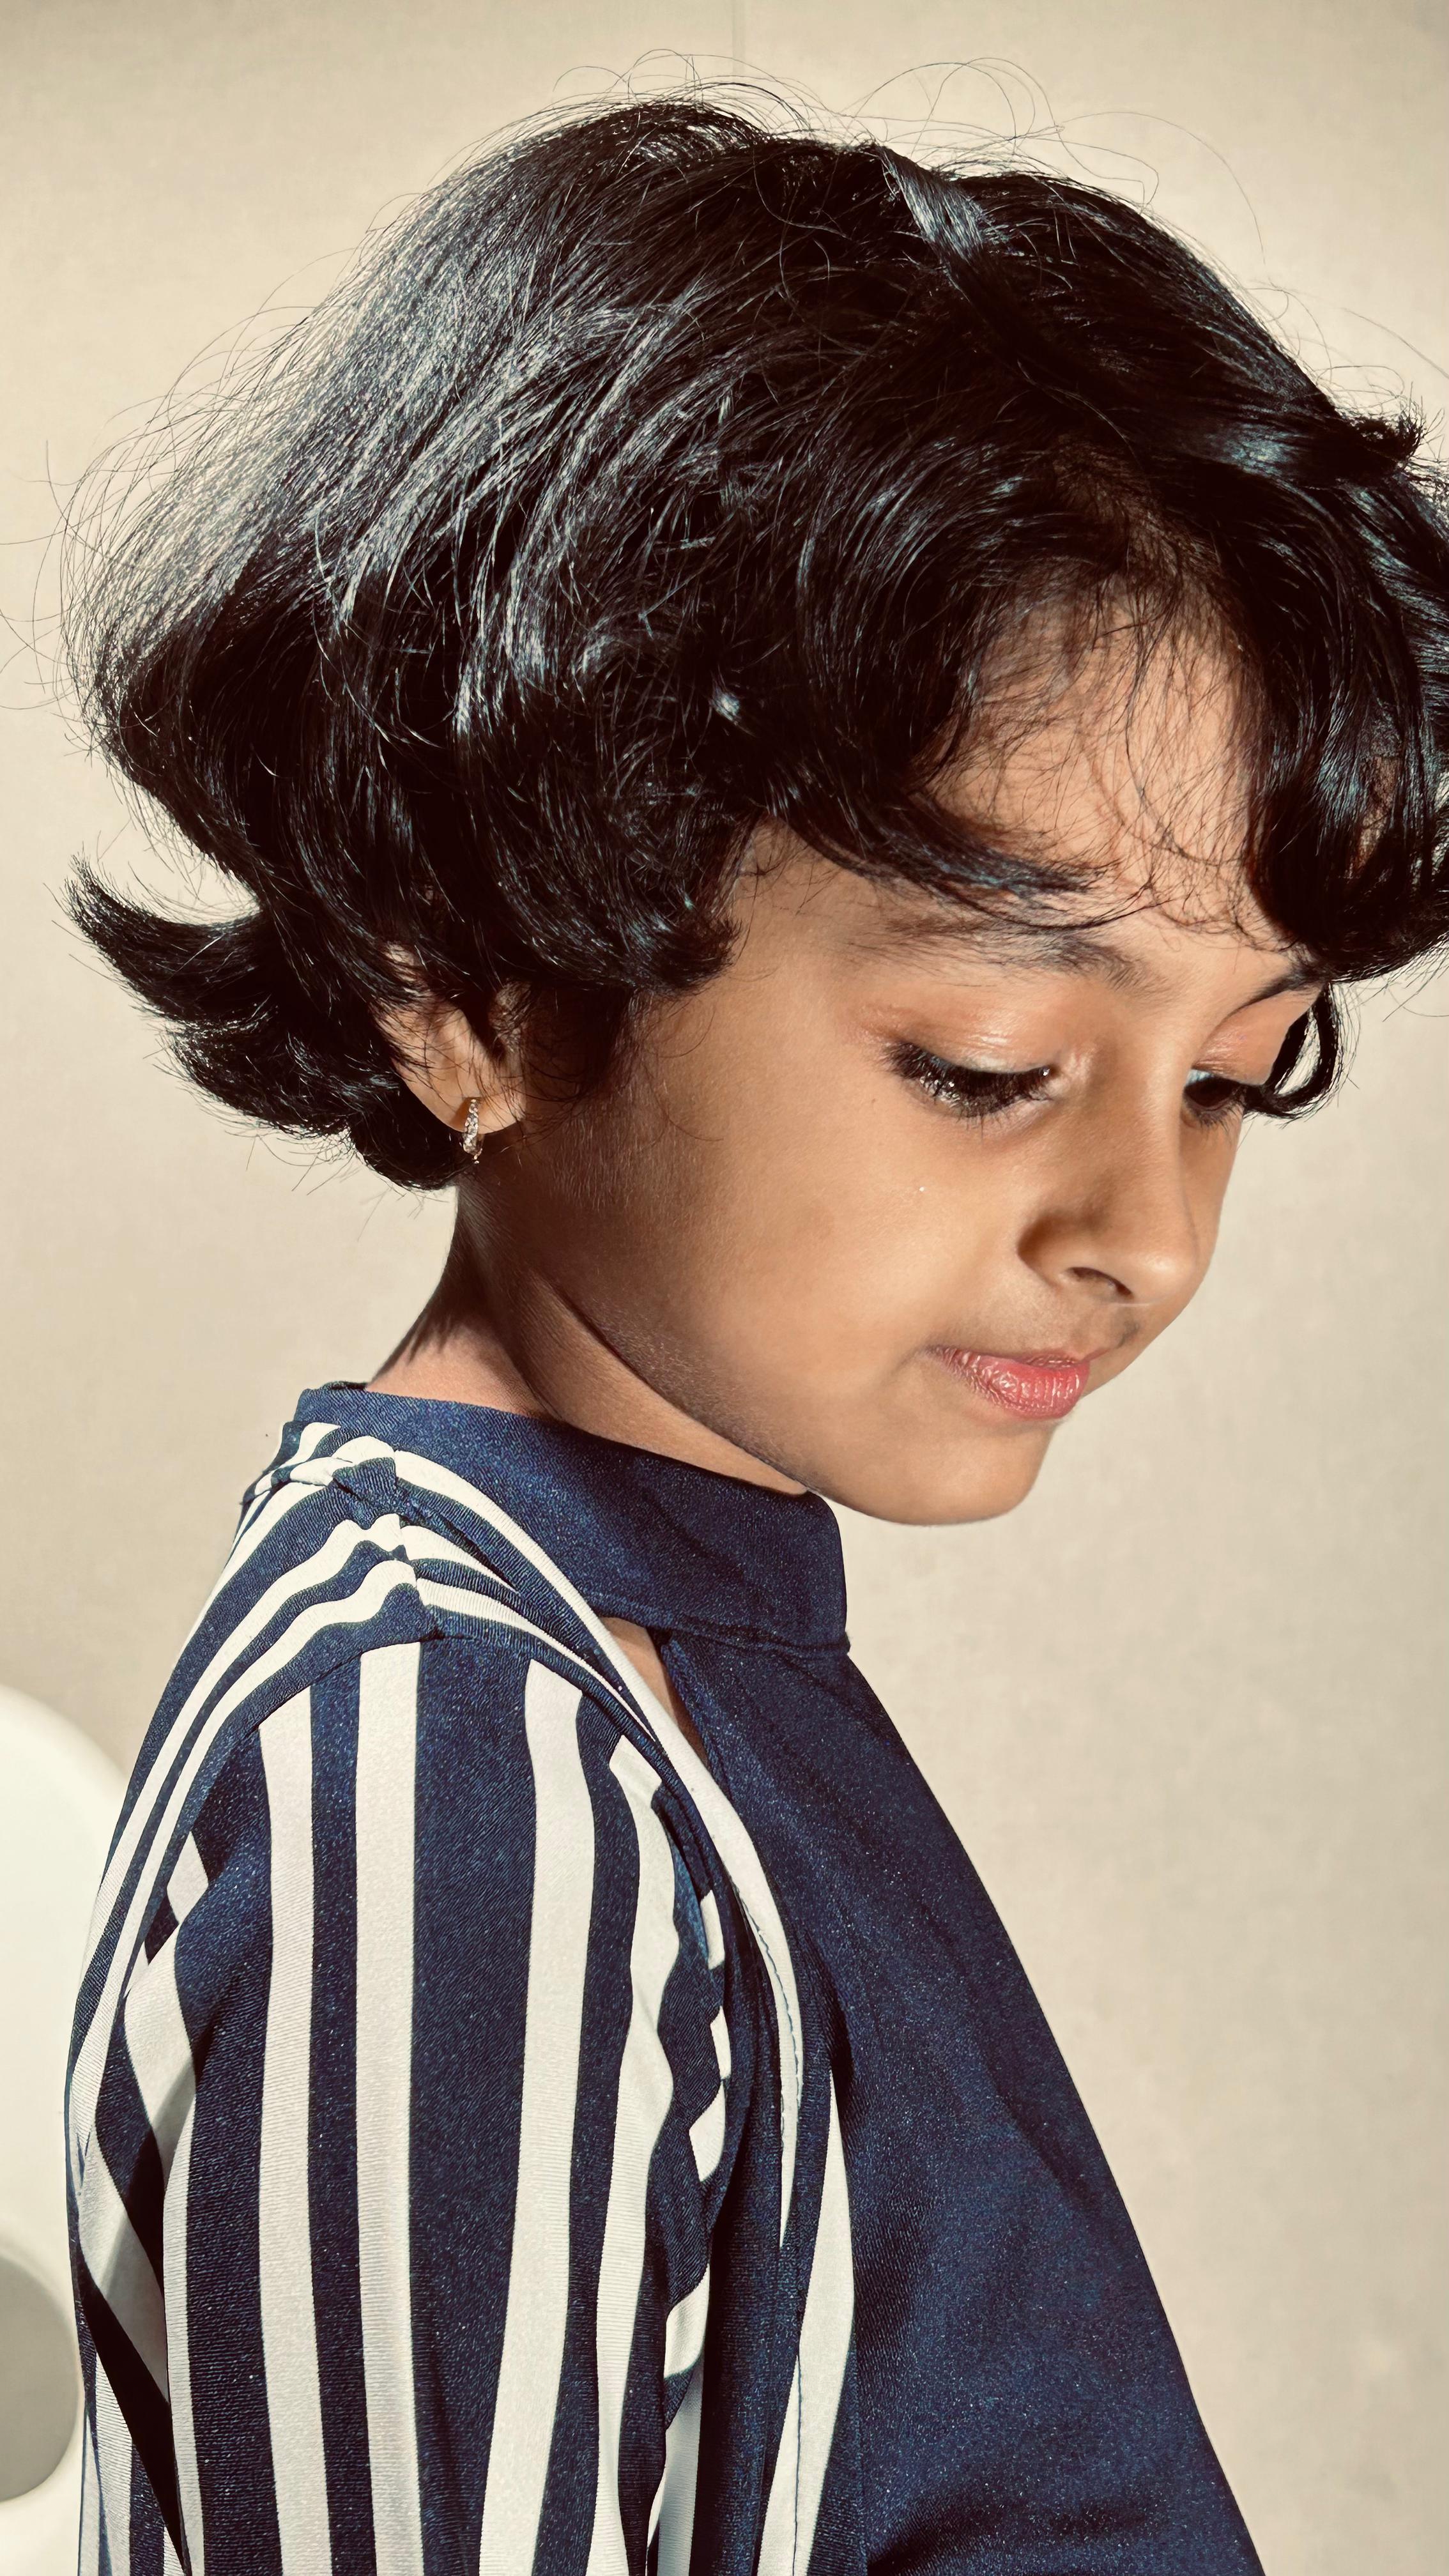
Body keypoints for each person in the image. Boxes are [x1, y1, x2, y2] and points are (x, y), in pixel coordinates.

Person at [63, 91, 1448, 2576]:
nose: (1142, 1231)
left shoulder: (642, 1653)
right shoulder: (456, 1773)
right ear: (465, 983)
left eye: (1233, 1081)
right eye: (989, 1066)